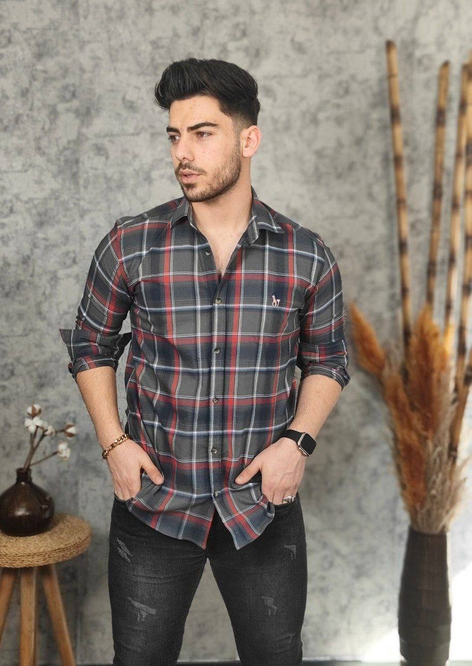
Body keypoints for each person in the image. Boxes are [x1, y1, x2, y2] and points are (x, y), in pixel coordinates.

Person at [59, 57, 350, 666]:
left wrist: (297, 444)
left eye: (202, 133)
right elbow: (90, 346)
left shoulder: (306, 255)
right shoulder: (129, 244)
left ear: (249, 140)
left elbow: (327, 359)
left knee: (276, 657)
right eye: (174, 135)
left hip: (261, 505)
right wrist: (114, 445)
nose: (182, 153)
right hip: (155, 502)